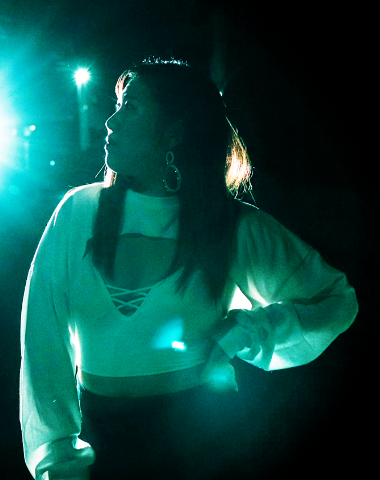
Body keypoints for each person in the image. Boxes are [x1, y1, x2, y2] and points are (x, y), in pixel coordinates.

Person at [20, 59, 358, 480]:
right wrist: (56, 459)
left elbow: (335, 300)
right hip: (104, 445)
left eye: (130, 107)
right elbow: (43, 342)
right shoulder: (78, 212)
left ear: (174, 132)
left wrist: (247, 331)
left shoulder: (229, 225)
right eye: (117, 106)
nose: (110, 121)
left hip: (202, 443)